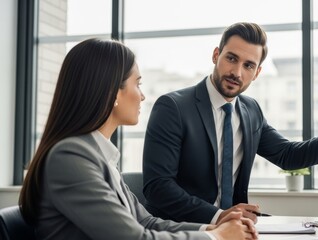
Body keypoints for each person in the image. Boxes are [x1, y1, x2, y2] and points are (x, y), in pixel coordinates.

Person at [18, 38, 257, 240]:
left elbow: (147, 222)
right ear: (112, 92)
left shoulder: (98, 155)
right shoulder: (71, 157)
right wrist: (216, 237)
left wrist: (212, 228)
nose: (142, 96)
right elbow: (134, 238)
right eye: (137, 84)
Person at [142, 22, 318, 225]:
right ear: (216, 55)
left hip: (231, 229)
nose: (237, 72)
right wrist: (219, 216)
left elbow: (286, 155)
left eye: (248, 65)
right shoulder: (173, 107)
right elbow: (158, 188)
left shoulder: (250, 110)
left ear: (257, 72)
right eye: (231, 58)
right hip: (180, 229)